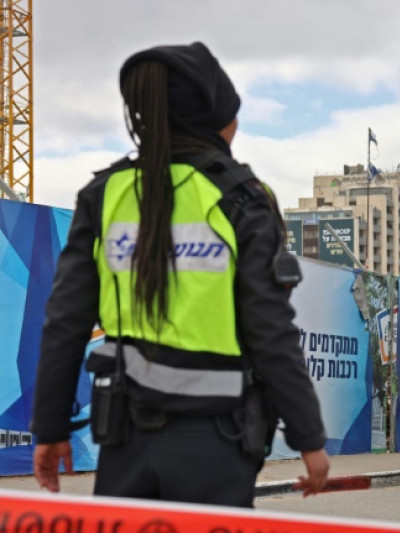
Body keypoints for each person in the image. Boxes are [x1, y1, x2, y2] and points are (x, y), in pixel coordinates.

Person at [29, 42, 330, 507]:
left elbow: (65, 323)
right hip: (219, 443)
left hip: (125, 440)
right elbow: (270, 329)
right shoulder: (241, 198)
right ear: (216, 119)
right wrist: (309, 439)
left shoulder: (104, 195)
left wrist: (49, 430)